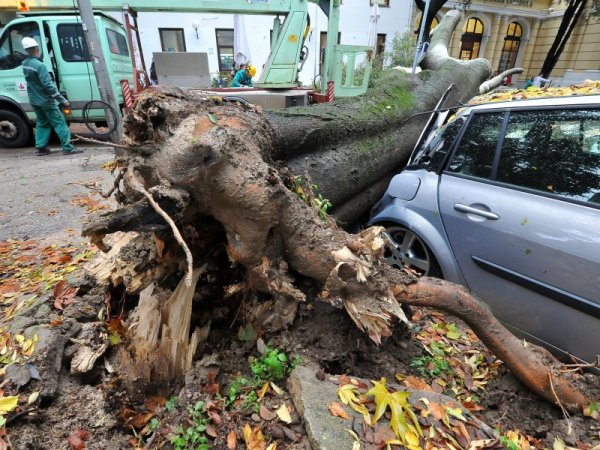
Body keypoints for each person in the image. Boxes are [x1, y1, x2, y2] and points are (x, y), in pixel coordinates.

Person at [21, 37, 81, 156]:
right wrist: (62, 100)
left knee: (42, 122)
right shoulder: (40, 66)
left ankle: (41, 148)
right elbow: (48, 86)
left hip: (34, 100)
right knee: (60, 123)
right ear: (36, 49)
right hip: (46, 101)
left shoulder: (25, 64)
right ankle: (68, 148)